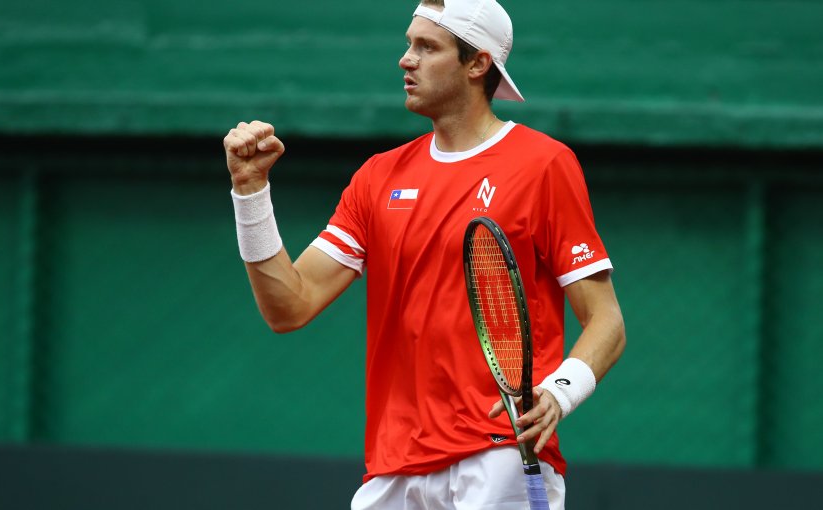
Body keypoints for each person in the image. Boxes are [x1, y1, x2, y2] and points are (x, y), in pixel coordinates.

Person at [222, 0, 625, 508]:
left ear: (477, 64)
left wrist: (560, 393)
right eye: (408, 44)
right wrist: (250, 192)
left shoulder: (543, 165)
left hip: (498, 454)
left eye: (426, 47)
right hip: (393, 466)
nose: (405, 60)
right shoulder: (377, 177)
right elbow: (289, 306)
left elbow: (606, 320)